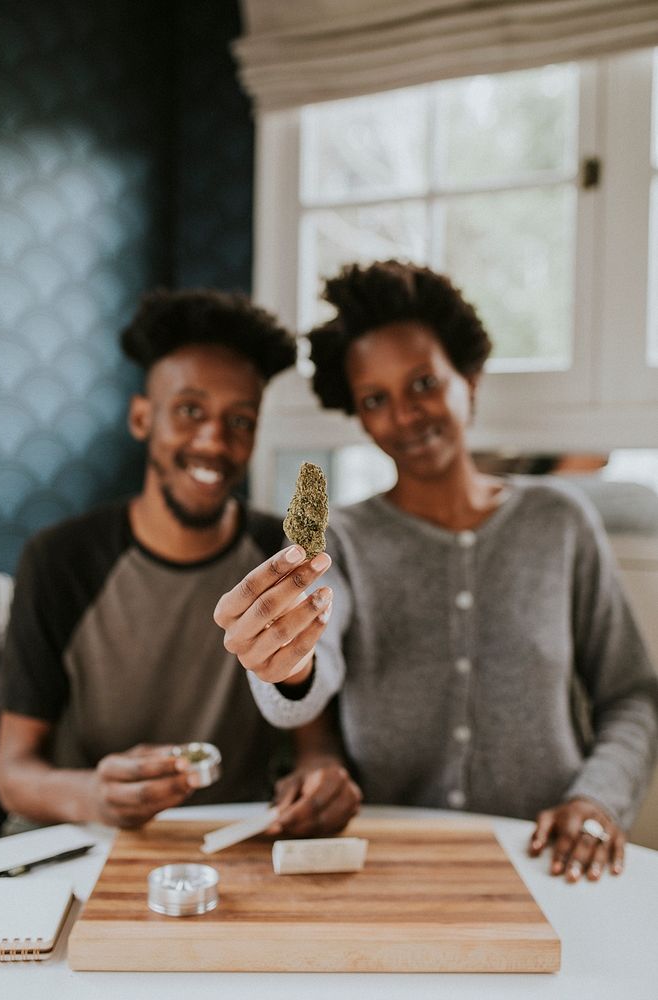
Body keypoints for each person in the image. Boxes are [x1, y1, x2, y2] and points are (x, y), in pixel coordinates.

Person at [214, 260, 658, 883]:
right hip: (389, 865)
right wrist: (285, 665)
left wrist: (596, 800)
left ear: (469, 380)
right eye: (375, 399)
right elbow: (313, 671)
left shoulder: (559, 522)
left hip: (547, 860)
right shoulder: (343, 537)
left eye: (424, 382)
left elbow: (631, 694)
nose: (405, 415)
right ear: (359, 415)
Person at [0, 287, 360, 834]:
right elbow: (12, 771)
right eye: (190, 411)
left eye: (240, 420)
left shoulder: (283, 560)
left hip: (236, 840)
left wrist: (320, 778)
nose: (213, 441)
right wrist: (94, 794)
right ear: (142, 418)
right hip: (93, 843)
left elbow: (315, 743)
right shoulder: (60, 559)